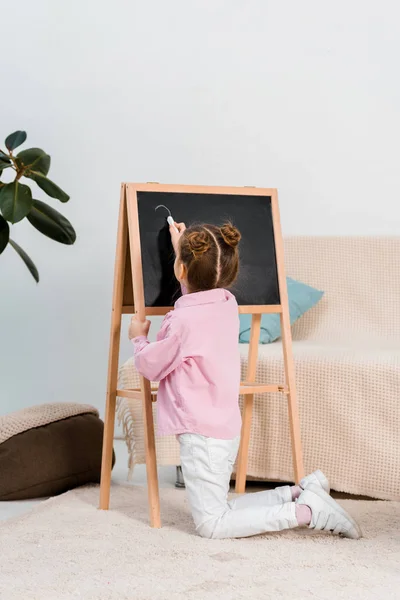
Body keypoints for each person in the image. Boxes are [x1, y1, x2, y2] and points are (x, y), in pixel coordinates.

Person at [128, 221, 362, 540]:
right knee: (220, 506)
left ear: (180, 269)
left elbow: (151, 365)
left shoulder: (182, 322)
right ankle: (298, 492)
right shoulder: (227, 304)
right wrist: (184, 245)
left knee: (212, 523)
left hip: (202, 436)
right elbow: (199, 287)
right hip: (223, 429)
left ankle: (306, 511)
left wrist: (138, 339)